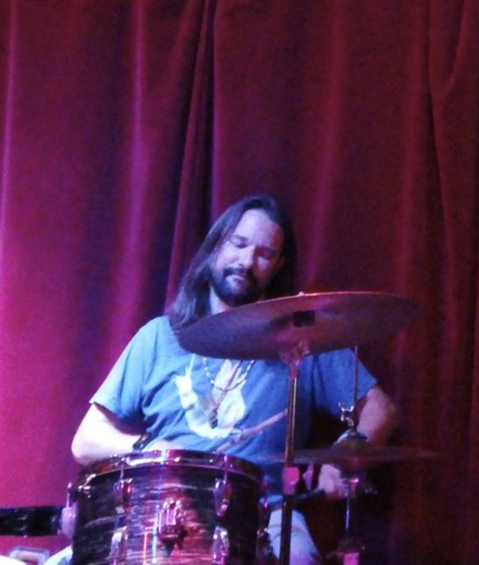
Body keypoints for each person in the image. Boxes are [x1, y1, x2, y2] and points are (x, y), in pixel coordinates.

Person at [68, 193, 397, 565]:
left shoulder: (302, 339)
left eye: (264, 254)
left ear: (278, 266)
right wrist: (150, 447)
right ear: (214, 247)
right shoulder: (159, 337)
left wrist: (342, 458)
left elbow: (380, 409)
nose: (246, 261)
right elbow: (86, 441)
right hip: (161, 512)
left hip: (263, 517)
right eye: (238, 244)